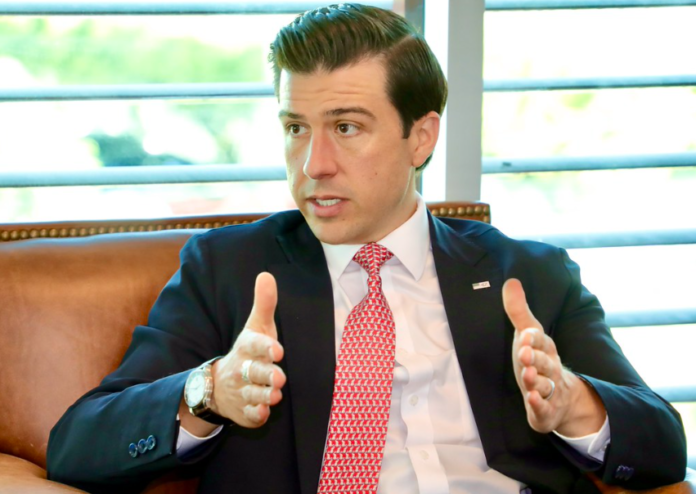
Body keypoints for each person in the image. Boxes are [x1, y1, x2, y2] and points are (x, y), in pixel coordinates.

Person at [47, 4, 686, 494]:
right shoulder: (228, 269)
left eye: (347, 127)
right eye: (296, 128)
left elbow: (662, 445)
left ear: (421, 137)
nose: (314, 164)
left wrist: (573, 402)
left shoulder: (527, 275)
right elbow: (78, 445)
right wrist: (208, 390)